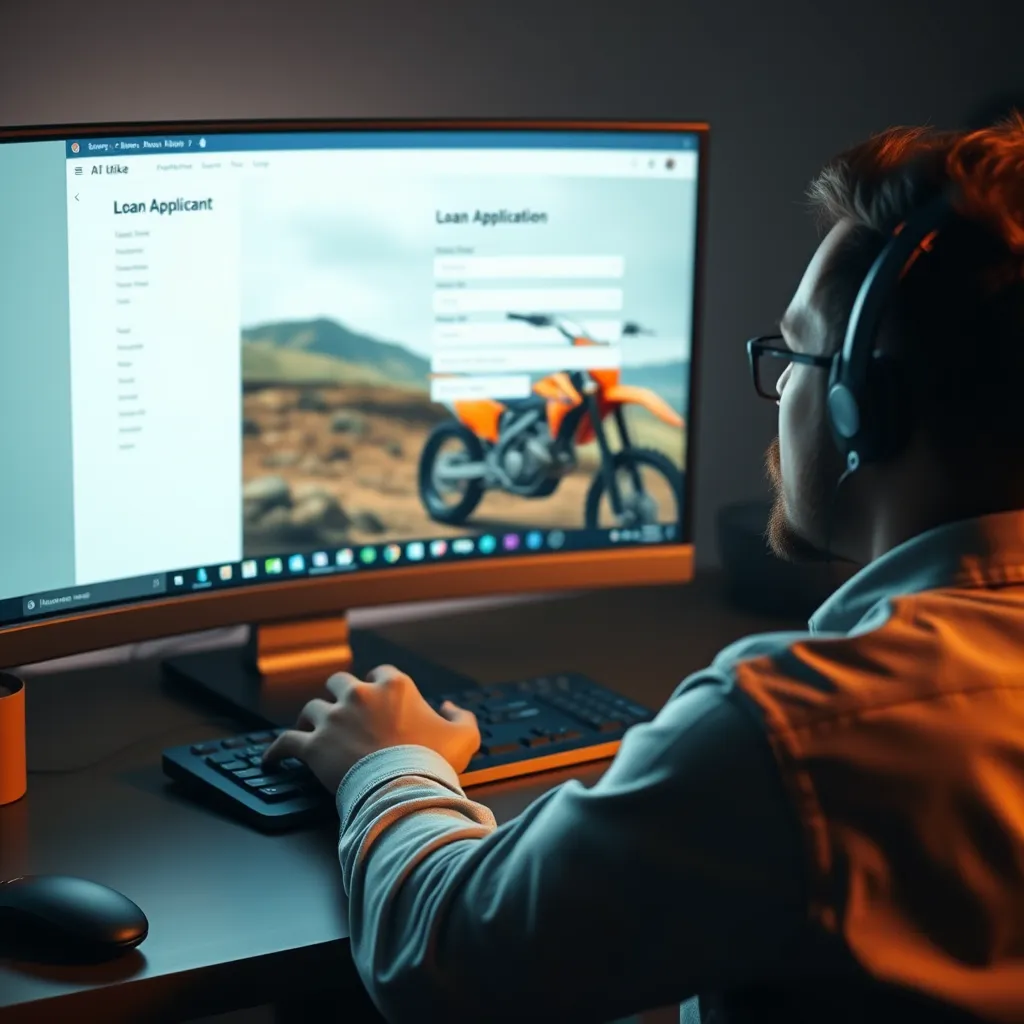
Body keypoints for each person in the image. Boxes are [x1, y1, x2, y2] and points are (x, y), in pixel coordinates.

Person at [263, 116, 1024, 1024]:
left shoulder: (797, 732)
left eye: (796, 355)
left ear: (867, 405)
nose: (780, 390)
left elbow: (443, 957)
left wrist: (389, 762)